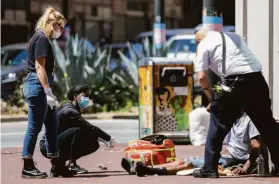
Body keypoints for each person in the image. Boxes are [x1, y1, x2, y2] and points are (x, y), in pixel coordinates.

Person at [192, 29, 279, 178]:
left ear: (198, 41)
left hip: (231, 84)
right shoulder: (234, 37)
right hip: (257, 80)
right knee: (267, 125)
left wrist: (212, 97)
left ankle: (209, 168)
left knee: (217, 124)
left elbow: (201, 77)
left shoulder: (204, 44)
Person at [122, 113, 267, 177]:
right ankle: (145, 169)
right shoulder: (232, 118)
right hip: (225, 155)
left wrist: (246, 167)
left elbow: (256, 145)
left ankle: (148, 170)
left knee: (189, 164)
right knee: (182, 161)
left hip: (234, 159)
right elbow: (211, 107)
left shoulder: (249, 120)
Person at [21, 6, 66, 178]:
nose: (61, 31)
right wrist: (48, 92)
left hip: (42, 87)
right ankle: (27, 165)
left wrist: (49, 92)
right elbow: (40, 67)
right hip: (38, 86)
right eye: (59, 27)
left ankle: (56, 164)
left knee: (52, 125)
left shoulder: (42, 38)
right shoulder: (41, 39)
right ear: (51, 24)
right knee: (34, 126)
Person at [40, 85, 116, 175]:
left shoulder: (74, 108)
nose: (87, 99)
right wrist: (108, 138)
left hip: (57, 143)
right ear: (75, 96)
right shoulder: (69, 111)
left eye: (88, 96)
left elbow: (88, 129)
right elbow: (88, 127)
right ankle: (68, 164)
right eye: (84, 96)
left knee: (93, 143)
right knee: (78, 131)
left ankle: (58, 165)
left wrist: (100, 138)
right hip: (47, 146)